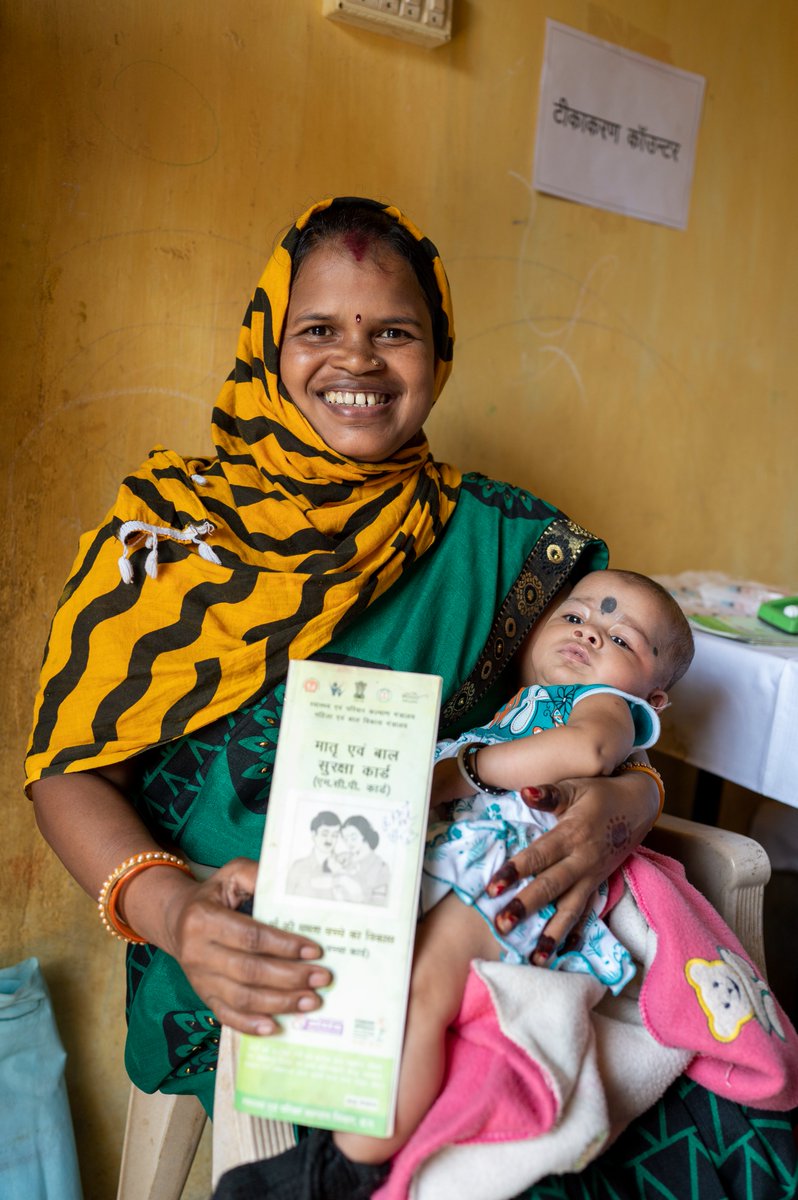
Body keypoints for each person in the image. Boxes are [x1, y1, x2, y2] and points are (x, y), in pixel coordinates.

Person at [24, 198, 794, 1199]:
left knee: (695, 1139)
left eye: (394, 330)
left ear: (440, 352)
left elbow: (598, 697)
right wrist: (173, 914)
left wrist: (632, 802)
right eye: (319, 330)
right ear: (269, 344)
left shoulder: (500, 540)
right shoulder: (170, 532)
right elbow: (65, 769)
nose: (360, 360)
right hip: (254, 945)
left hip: (488, 930)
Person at [332, 568, 692, 1170]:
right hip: (463, 859)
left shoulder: (605, 708)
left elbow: (588, 752)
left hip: (513, 865)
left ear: (652, 700)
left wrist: (455, 773)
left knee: (423, 986)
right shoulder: (518, 709)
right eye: (575, 617)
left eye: (621, 638)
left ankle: (363, 1152)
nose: (592, 634)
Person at [286, 811, 342, 898]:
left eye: (334, 835)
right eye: (325, 834)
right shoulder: (298, 867)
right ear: (313, 834)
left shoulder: (344, 866)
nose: (329, 839)